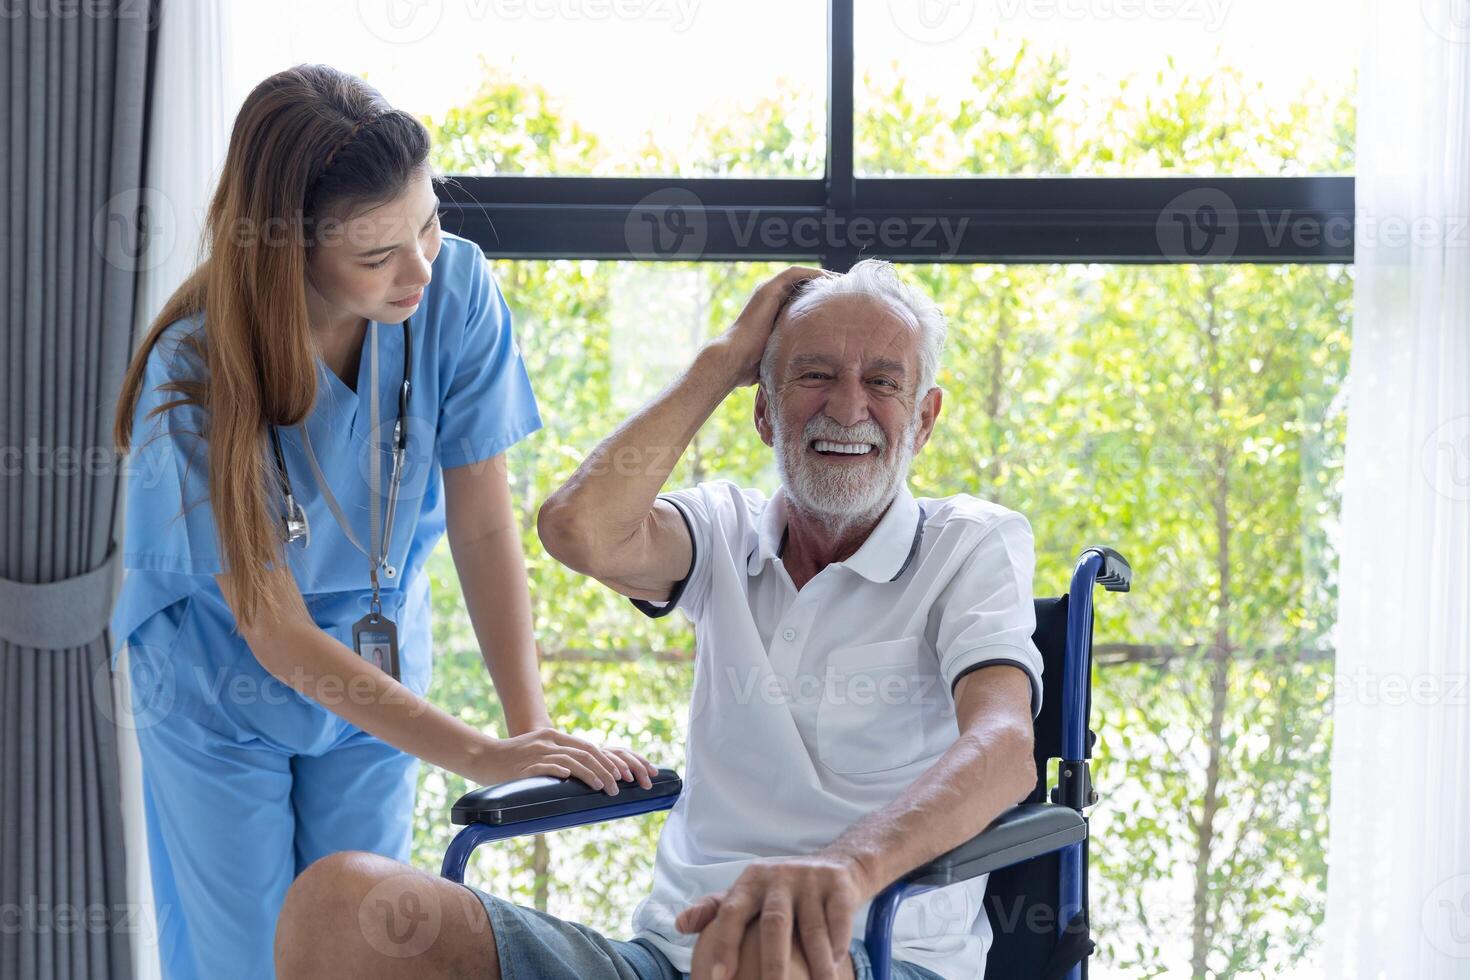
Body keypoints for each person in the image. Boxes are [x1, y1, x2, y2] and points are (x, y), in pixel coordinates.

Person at [272, 261, 1042, 980]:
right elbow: (578, 530)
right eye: (814, 376)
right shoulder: (724, 530)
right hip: (671, 957)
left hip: (867, 953)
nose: (848, 406)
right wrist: (724, 359)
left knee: (776, 955)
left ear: (926, 418)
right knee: (340, 906)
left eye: (883, 382)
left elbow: (1006, 746)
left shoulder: (971, 543)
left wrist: (849, 869)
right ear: (765, 415)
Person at [109, 64, 653, 980]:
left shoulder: (457, 291)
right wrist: (476, 751)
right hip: (219, 686)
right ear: (290, 252)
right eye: (376, 256)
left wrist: (530, 740)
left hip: (373, 667)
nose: (420, 269)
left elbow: (484, 528)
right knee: (243, 956)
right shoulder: (194, 372)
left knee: (362, 940)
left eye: (430, 222)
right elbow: (274, 631)